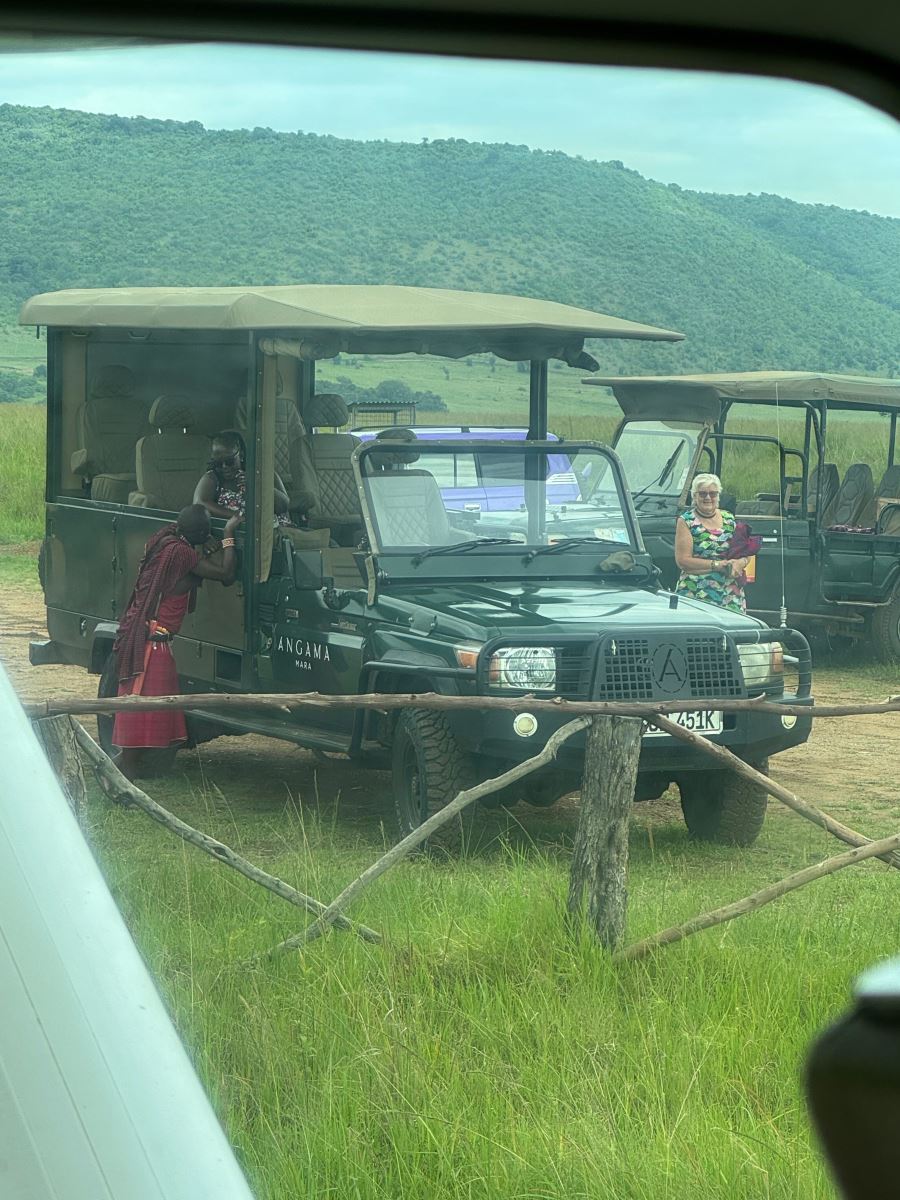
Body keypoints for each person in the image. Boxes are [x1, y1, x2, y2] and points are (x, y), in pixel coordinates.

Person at [111, 504, 241, 777]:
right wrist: (228, 534)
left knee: (147, 712)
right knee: (144, 713)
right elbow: (227, 574)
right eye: (207, 531)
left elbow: (200, 570)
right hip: (153, 645)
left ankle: (121, 773)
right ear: (203, 533)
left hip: (148, 637)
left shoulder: (165, 541)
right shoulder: (182, 554)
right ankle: (120, 775)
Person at [674, 473, 752, 613]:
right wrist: (717, 565)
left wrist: (741, 563)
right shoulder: (686, 521)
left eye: (713, 493)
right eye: (703, 493)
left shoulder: (729, 519)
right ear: (695, 496)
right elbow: (683, 561)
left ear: (718, 496)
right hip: (696, 593)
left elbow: (747, 550)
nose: (708, 498)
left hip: (730, 594)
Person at [193, 430, 292, 526]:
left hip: (279, 532)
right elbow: (200, 503)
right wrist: (240, 517)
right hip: (241, 534)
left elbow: (284, 505)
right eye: (218, 463)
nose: (224, 467)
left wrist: (258, 485)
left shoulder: (264, 473)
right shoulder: (212, 478)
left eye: (229, 462)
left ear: (241, 455)